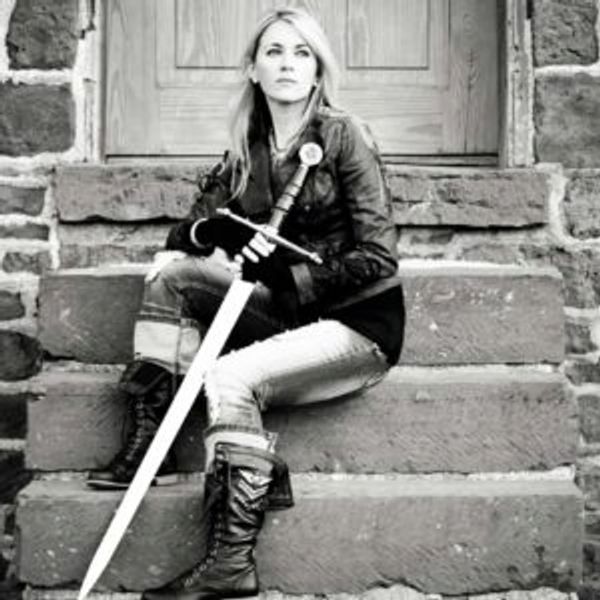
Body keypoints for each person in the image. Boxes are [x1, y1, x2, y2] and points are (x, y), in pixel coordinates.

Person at [87, 7, 405, 599]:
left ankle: (231, 563)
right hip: (285, 317)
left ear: (317, 71)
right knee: (173, 277)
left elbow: (379, 258)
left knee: (229, 376)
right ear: (253, 70)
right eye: (274, 52)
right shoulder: (246, 147)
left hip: (356, 323)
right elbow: (190, 231)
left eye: (301, 53)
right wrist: (223, 237)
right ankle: (148, 445)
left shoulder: (342, 135)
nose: (287, 64)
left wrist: (285, 278)